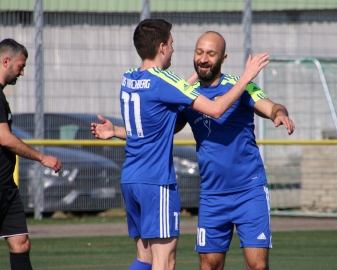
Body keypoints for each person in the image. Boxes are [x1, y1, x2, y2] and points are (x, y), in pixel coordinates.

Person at [90, 19, 269, 270]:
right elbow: (215, 109)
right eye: (172, 44)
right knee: (164, 262)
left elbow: (156, 117)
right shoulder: (164, 80)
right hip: (157, 182)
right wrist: (247, 76)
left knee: (145, 258)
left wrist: (116, 131)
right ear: (162, 47)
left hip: (131, 178)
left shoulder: (128, 79)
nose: (174, 50)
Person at [175, 31, 295, 270]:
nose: (204, 58)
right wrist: (117, 130)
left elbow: (271, 106)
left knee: (257, 266)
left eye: (211, 53)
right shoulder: (186, 95)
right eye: (199, 52)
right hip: (212, 195)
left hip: (249, 190)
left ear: (223, 57)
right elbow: (161, 128)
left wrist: (280, 113)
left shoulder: (240, 86)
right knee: (209, 266)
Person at [0, 38, 62, 270]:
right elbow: (4, 137)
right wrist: (42, 158)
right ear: (6, 61)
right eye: (20, 66)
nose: (22, 72)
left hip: (6, 186)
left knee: (21, 243)